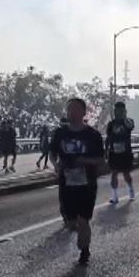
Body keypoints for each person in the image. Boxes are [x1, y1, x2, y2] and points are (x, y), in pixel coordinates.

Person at [50, 98, 105, 265]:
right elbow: (52, 154)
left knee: (83, 220)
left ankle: (85, 250)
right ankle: (77, 230)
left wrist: (84, 161)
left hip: (86, 184)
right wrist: (56, 164)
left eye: (75, 109)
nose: (72, 112)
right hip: (67, 184)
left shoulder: (93, 135)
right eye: (69, 109)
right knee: (70, 221)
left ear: (83, 112)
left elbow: (100, 160)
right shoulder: (60, 133)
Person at [105, 101, 136, 203]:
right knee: (114, 173)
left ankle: (130, 188)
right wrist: (106, 150)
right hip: (114, 153)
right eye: (116, 110)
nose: (117, 112)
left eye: (120, 110)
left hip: (125, 153)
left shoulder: (128, 121)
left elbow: (130, 126)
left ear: (124, 111)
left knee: (126, 174)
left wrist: (124, 116)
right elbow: (108, 138)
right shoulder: (111, 124)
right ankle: (114, 196)